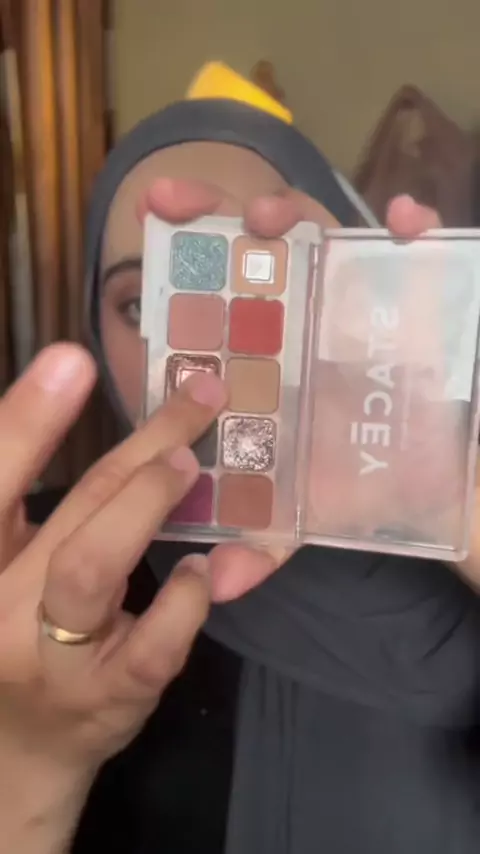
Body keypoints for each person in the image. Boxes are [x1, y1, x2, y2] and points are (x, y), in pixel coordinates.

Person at [3, 67, 480, 854]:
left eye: (255, 272)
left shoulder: (453, 570)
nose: (195, 353)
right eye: (139, 302)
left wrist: (454, 498)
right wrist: (26, 769)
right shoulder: (33, 583)